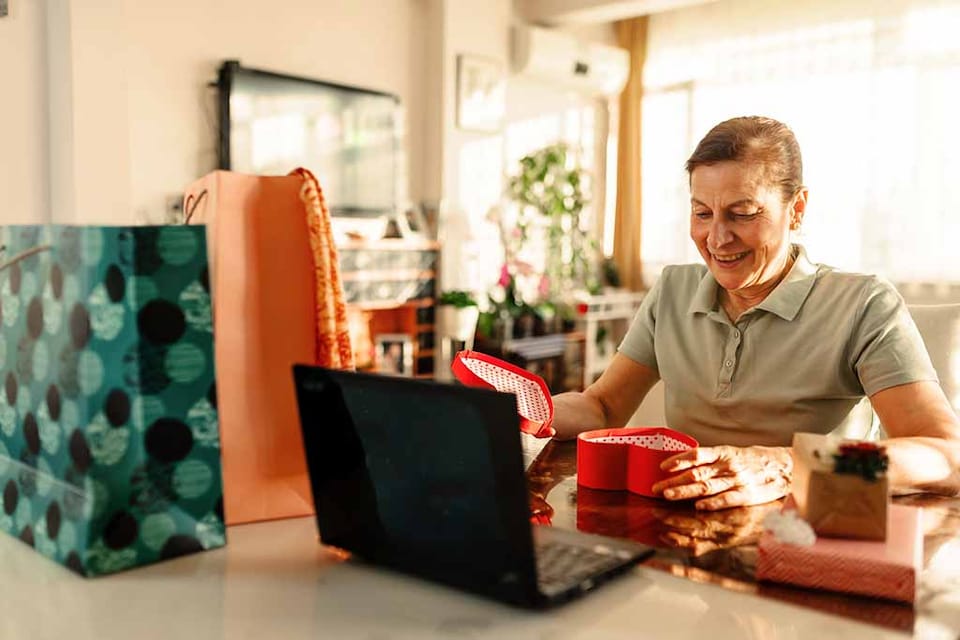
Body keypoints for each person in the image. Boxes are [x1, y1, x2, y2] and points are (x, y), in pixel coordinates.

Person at [553, 116, 960, 510]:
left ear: (796, 209)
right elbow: (603, 407)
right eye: (701, 213)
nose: (717, 239)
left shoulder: (864, 304)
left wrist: (786, 466)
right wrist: (520, 405)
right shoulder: (673, 290)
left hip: (805, 539)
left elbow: (945, 456)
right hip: (684, 530)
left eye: (742, 214)